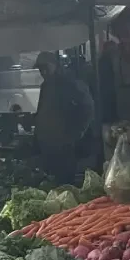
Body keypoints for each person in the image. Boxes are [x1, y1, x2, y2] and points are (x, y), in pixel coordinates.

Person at [33, 52, 96, 183]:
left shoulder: (70, 83)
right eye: (40, 69)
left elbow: (88, 108)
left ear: (55, 65)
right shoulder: (45, 86)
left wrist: (77, 133)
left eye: (46, 67)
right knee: (50, 182)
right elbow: (42, 111)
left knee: (64, 182)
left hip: (64, 146)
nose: (43, 71)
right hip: (47, 145)